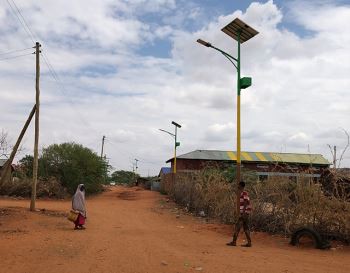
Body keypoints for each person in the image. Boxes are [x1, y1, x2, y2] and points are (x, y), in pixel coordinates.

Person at [227, 181, 252, 247]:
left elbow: (246, 202)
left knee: (237, 226)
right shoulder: (241, 193)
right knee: (246, 227)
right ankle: (249, 243)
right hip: (246, 213)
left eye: (238, 185)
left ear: (241, 186)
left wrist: (243, 213)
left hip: (244, 213)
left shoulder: (244, 193)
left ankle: (234, 241)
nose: (238, 186)